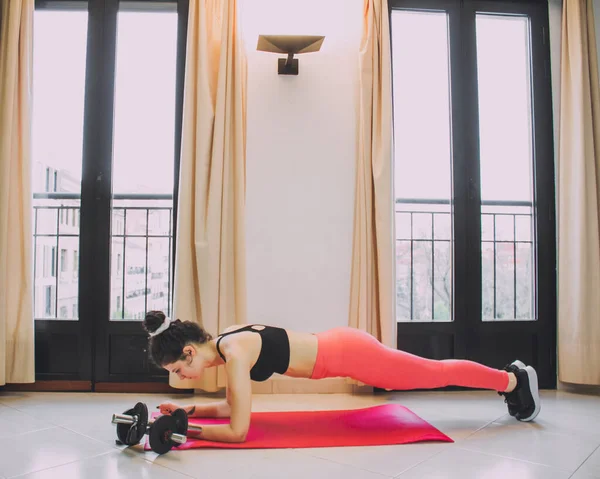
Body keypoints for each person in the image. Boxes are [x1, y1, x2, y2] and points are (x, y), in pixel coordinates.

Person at [143, 310, 540, 444]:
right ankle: (508, 380)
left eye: (179, 369)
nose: (181, 377)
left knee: (430, 373)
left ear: (189, 351)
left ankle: (512, 381)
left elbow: (238, 430)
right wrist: (187, 410)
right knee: (428, 372)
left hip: (352, 354)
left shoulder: (235, 352)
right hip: (344, 348)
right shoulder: (228, 341)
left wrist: (183, 430)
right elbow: (232, 407)